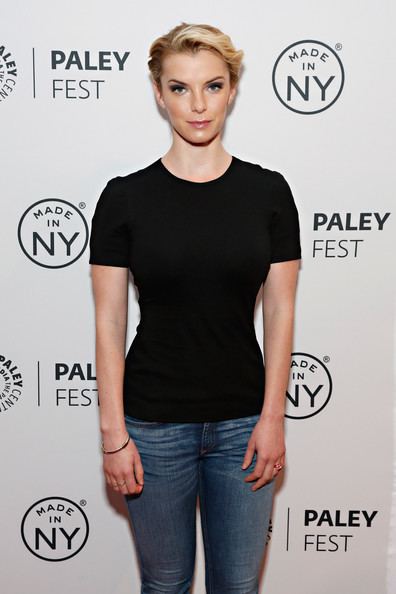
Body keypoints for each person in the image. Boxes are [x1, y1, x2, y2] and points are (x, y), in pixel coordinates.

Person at [89, 21, 301, 594]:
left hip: (243, 425)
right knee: (164, 583)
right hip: (152, 426)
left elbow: (280, 313)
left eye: (212, 85)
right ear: (159, 93)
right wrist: (114, 432)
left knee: (237, 585)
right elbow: (109, 322)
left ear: (233, 89)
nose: (198, 104)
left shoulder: (269, 194)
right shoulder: (123, 198)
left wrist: (273, 417)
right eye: (180, 88)